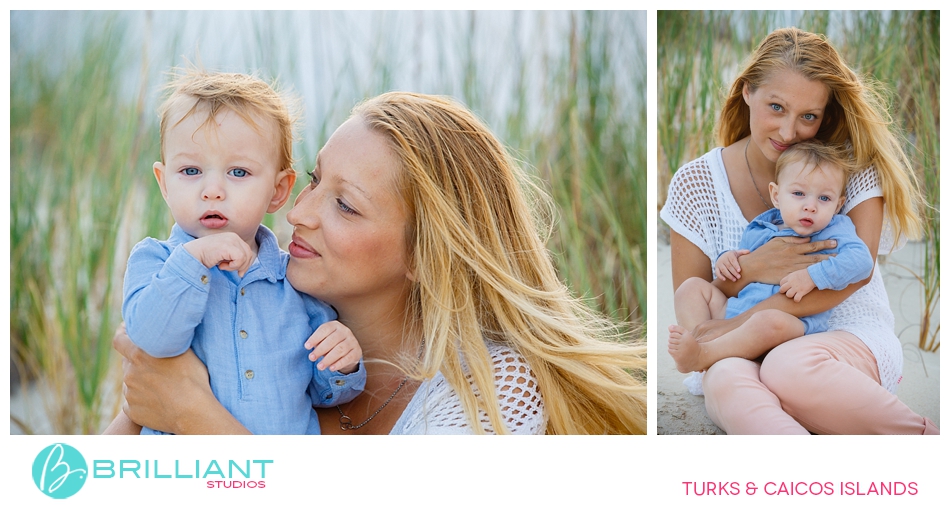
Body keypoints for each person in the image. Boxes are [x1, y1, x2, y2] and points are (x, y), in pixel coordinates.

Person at [111, 91, 648, 435]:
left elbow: (177, 407)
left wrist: (192, 414)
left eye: (344, 205)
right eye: (315, 180)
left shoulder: (490, 394)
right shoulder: (267, 319)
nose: (298, 212)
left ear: (422, 254)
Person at [660, 27, 938, 434]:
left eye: (808, 116)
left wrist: (735, 326)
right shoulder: (696, 183)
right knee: (723, 378)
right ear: (747, 92)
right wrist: (754, 269)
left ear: (825, 116)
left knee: (786, 367)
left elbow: (853, 273)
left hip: (840, 336)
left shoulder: (851, 174)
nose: (789, 133)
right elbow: (699, 299)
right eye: (776, 107)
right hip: (735, 348)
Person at [107, 70, 365, 435]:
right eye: (191, 170)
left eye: (239, 172)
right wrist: (193, 260)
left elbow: (323, 396)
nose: (212, 190)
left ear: (277, 191)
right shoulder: (156, 261)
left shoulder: (293, 282)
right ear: (164, 183)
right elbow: (152, 341)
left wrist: (341, 365)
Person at [669, 141, 873, 373]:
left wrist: (812, 276)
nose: (810, 206)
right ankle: (702, 340)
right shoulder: (761, 227)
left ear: (838, 205)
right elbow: (742, 263)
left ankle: (705, 355)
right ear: (776, 195)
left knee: (767, 322)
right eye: (798, 193)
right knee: (691, 288)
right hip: (734, 312)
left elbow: (862, 262)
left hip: (788, 324)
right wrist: (728, 258)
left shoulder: (835, 230)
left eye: (824, 199)